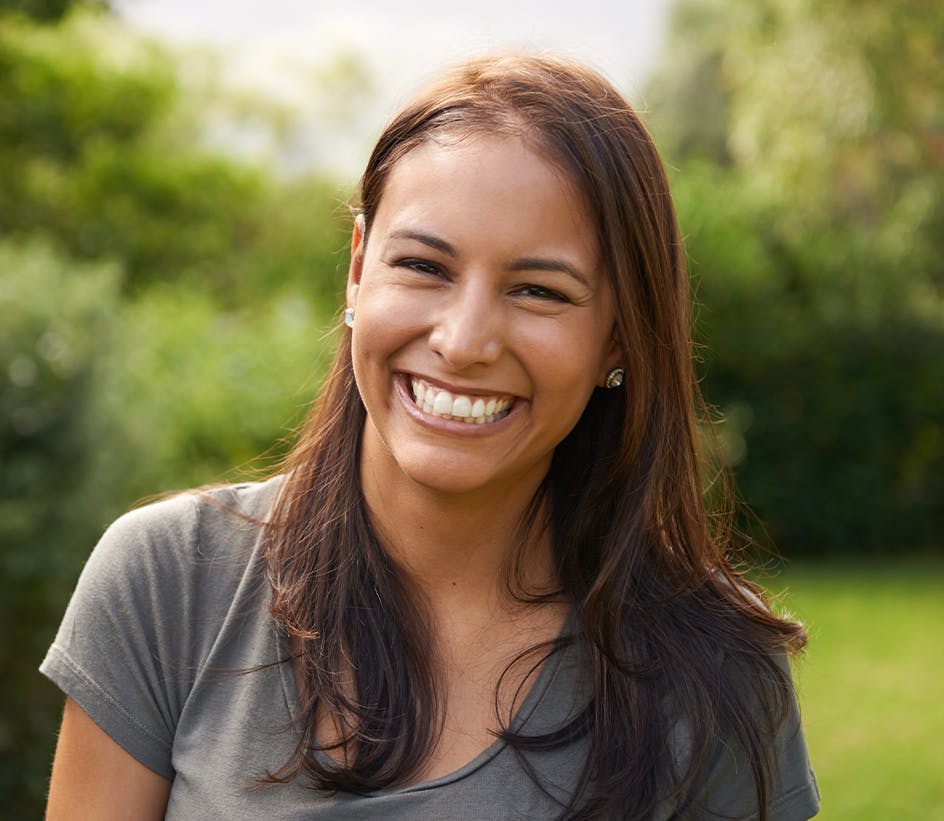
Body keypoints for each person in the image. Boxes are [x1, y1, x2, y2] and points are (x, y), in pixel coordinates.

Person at [41, 54, 819, 820]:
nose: (464, 339)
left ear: (619, 337)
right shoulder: (167, 584)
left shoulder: (715, 673)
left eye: (539, 290)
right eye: (423, 265)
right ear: (356, 271)